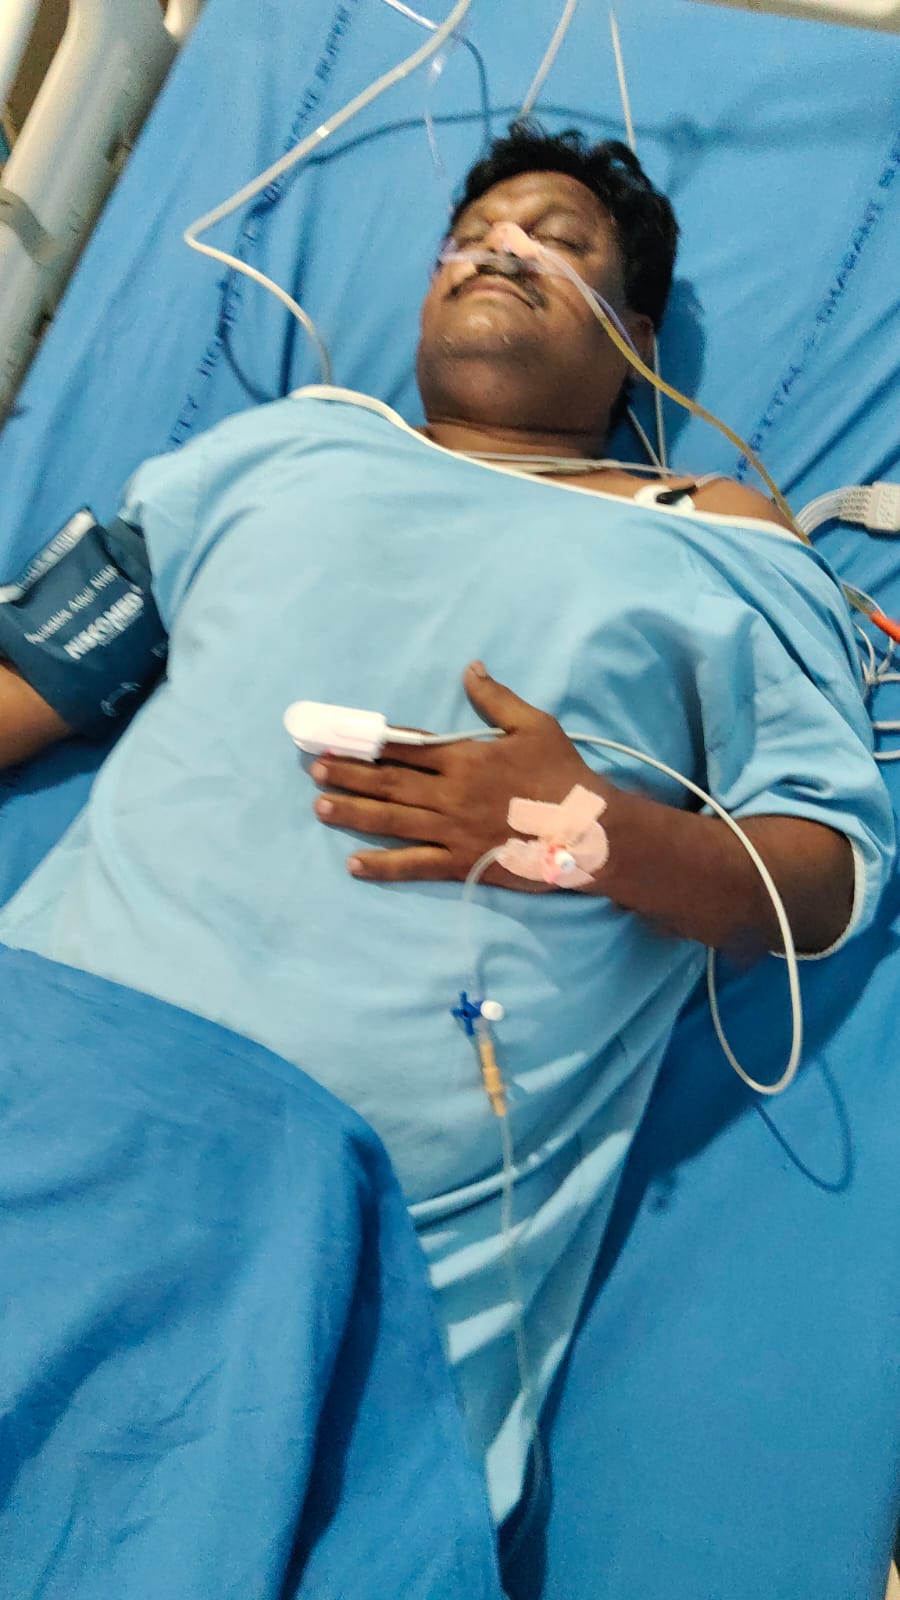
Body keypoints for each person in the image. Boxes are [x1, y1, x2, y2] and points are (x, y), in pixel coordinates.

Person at [0, 123, 893, 1522]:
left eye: (560, 239)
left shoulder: (717, 534)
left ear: (635, 336)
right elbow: (40, 680)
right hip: (56, 1069)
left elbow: (823, 882)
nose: (500, 247)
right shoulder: (285, 447)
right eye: (470, 235)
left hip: (362, 1209)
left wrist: (590, 831)